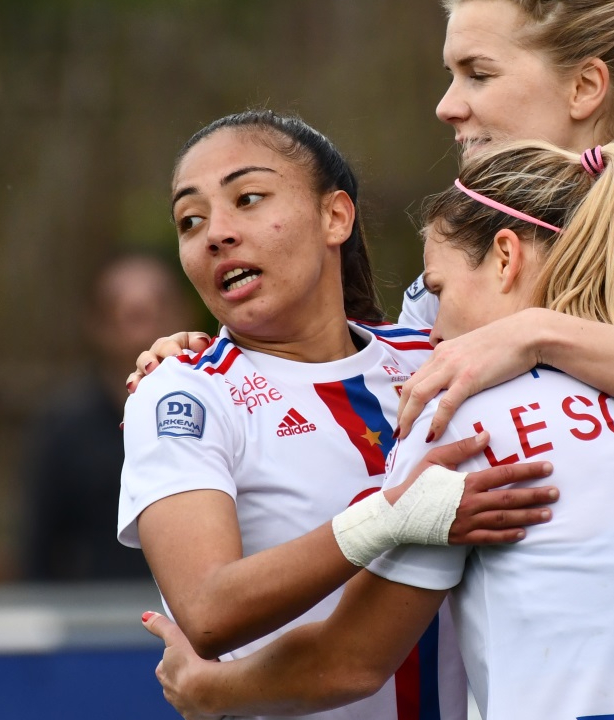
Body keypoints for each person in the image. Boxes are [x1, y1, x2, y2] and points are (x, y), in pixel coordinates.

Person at [129, 1, 614, 716]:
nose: (448, 106)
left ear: (584, 88)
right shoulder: (453, 328)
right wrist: (209, 357)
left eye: (477, 73)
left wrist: (538, 334)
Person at [119, 110, 558, 720]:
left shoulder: (435, 358)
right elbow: (208, 610)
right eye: (190, 221)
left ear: (335, 216)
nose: (216, 232)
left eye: (248, 199)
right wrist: (389, 518)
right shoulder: (181, 395)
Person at [20, 253, 190, 581]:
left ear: (182, 311)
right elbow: (39, 552)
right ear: (96, 323)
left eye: (155, 306)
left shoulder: (224, 407)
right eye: (125, 311)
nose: (141, 324)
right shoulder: (62, 429)